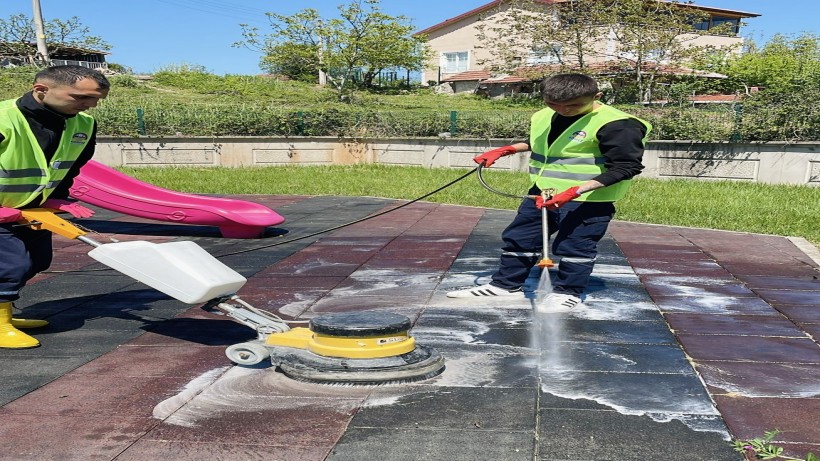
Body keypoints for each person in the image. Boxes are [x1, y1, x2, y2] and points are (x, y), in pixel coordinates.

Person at [447, 73, 651, 313]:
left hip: (588, 199)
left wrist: (575, 191)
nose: (563, 110)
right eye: (553, 104)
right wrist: (507, 149)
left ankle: (568, 292)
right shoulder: (544, 115)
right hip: (542, 192)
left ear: (597, 96)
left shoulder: (618, 125)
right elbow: (544, 142)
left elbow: (627, 167)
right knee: (520, 238)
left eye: (573, 106)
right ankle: (506, 285)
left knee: (575, 245)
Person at [0, 65, 109, 348]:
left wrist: (56, 196)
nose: (90, 105)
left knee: (37, 261)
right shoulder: (3, 119)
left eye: (97, 99)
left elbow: (69, 166)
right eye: (80, 97)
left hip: (30, 209)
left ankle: (5, 314)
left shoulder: (82, 124)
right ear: (41, 90)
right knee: (11, 265)